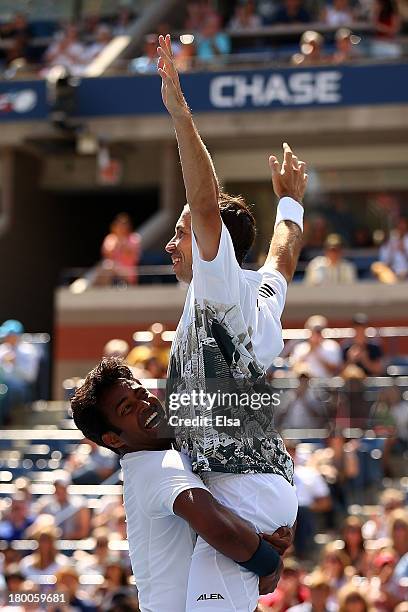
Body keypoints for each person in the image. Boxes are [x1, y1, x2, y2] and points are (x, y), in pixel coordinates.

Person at [158, 33, 305, 610]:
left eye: (182, 234)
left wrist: (178, 110)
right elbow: (283, 256)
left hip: (239, 494)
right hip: (249, 487)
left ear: (207, 240)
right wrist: (290, 200)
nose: (174, 244)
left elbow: (204, 196)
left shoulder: (217, 289)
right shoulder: (256, 294)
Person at [71, 358, 292, 612]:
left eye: (141, 393)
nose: (144, 405)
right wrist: (269, 563)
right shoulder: (156, 466)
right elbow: (219, 527)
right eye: (127, 409)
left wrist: (270, 535)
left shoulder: (169, 454)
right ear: (113, 439)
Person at [0, 319, 40, 424]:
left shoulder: (28, 351)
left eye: (8, 335)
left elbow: (30, 377)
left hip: (22, 389)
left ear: (16, 336)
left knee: (11, 390)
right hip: (3, 386)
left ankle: (6, 422)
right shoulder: (2, 349)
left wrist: (15, 363)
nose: (5, 338)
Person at [100, 213, 141, 285]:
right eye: (119, 224)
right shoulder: (110, 238)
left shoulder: (134, 238)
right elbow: (107, 254)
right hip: (112, 271)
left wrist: (122, 241)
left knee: (109, 267)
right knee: (106, 266)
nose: (122, 227)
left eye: (124, 224)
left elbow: (132, 255)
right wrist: (117, 239)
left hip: (128, 273)